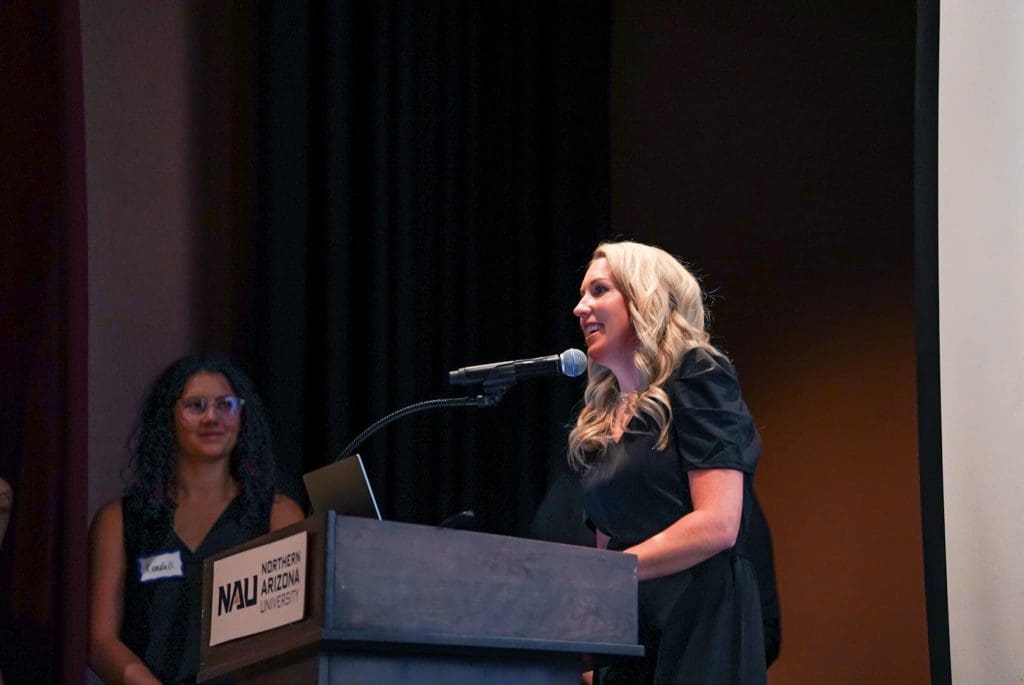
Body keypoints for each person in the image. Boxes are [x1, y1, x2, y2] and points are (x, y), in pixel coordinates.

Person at [571, 241, 766, 684]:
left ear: (644, 297)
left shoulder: (699, 374)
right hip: (630, 638)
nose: (580, 307)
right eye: (583, 294)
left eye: (599, 290)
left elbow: (718, 523)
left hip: (699, 622)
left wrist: (609, 575)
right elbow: (609, 540)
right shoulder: (600, 419)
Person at [88, 354, 305, 685]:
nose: (211, 417)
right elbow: (100, 640)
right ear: (168, 417)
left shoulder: (279, 514)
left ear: (242, 415)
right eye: (196, 405)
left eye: (225, 405)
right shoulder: (118, 520)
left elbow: (294, 637)